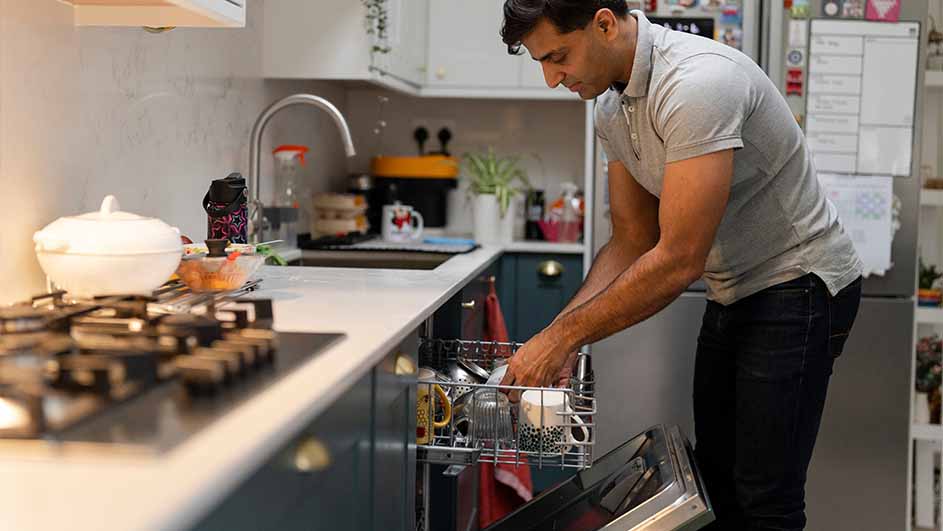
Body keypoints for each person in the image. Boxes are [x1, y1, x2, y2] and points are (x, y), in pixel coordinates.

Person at [496, 2, 863, 530]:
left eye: (558, 56)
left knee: (764, 499)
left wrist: (565, 339)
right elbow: (632, 239)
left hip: (800, 281)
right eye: (541, 63)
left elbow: (678, 259)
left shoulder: (697, 84)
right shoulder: (611, 109)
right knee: (712, 482)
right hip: (734, 288)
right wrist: (556, 335)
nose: (552, 78)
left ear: (604, 23)